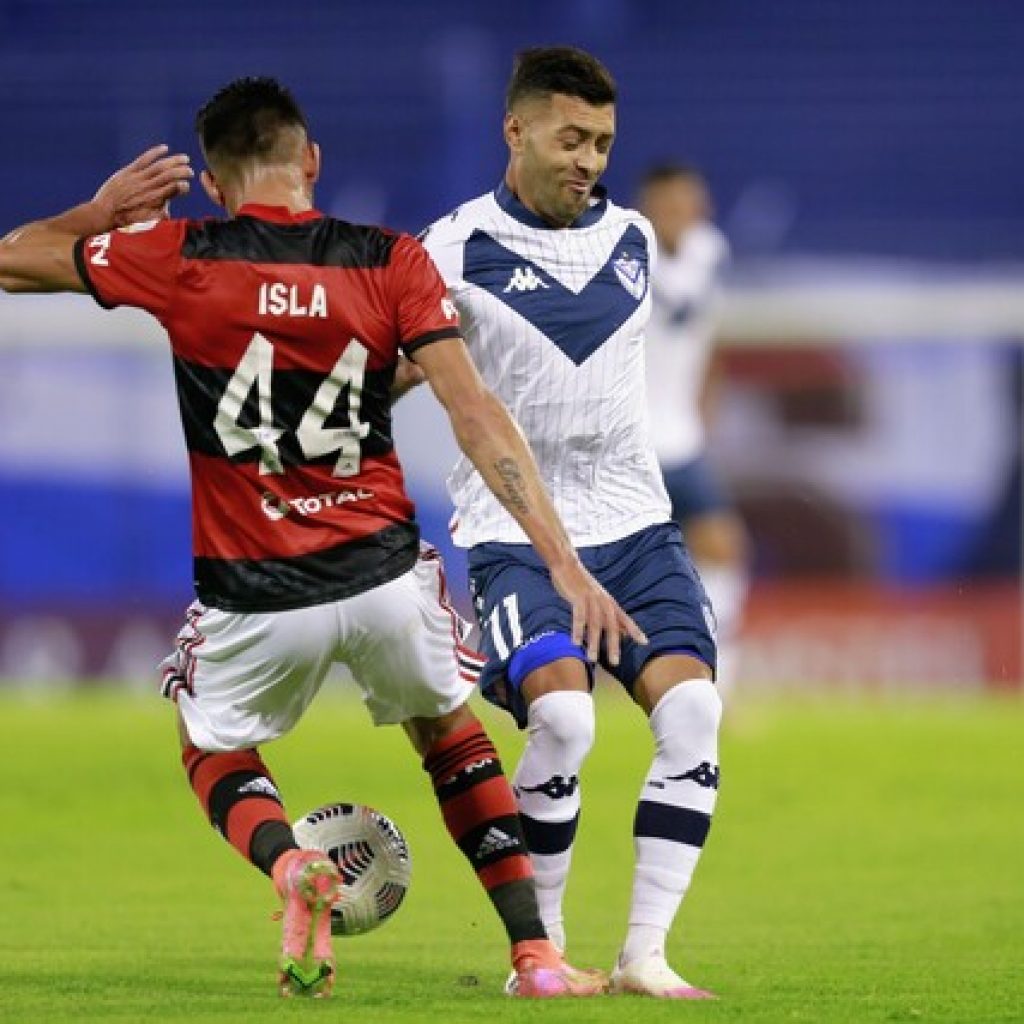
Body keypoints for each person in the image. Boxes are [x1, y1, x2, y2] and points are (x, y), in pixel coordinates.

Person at [0, 76, 643, 999]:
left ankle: (289, 864)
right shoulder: (392, 261)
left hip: (253, 588)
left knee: (209, 746)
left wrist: (97, 214)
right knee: (447, 728)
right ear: (311, 162)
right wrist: (564, 562)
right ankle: (536, 955)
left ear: (217, 187)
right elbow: (476, 415)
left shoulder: (180, 254)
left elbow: (15, 259)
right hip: (380, 573)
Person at [421, 48, 722, 999]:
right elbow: (391, 366)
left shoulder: (637, 239)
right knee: (561, 714)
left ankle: (645, 955)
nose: (588, 158)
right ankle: (541, 953)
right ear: (515, 131)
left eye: (601, 142)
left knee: (696, 713)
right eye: (570, 137)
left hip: (636, 530)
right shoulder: (449, 250)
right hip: (515, 538)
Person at [637, 164, 749, 692]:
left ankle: (718, 682)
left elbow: (712, 339)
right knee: (606, 570)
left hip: (683, 439)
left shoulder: (710, 250)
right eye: (671, 206)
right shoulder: (625, 255)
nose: (684, 215)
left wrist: (705, 414)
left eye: (691, 203)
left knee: (723, 548)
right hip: (629, 444)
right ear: (649, 209)